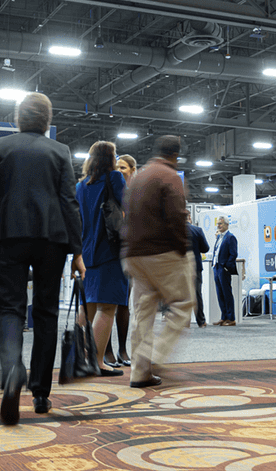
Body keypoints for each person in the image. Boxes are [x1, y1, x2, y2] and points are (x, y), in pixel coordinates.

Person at [0, 92, 85, 424]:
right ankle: (40, 393)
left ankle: (12, 370)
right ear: (47, 120)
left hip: (9, 237)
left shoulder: (0, 147)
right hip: (52, 240)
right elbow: (69, 202)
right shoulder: (60, 151)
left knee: (10, 308)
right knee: (46, 313)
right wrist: (77, 251)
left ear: (18, 118)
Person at [120, 135, 195, 388]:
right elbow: (176, 216)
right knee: (183, 304)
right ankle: (154, 355)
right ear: (176, 154)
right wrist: (182, 249)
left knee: (143, 311)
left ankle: (140, 372)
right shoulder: (170, 176)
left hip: (133, 254)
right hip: (161, 252)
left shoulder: (139, 176)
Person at [75, 140, 128, 376]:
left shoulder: (81, 186)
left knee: (87, 307)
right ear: (110, 158)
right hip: (110, 250)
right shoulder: (114, 177)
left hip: (87, 252)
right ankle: (97, 361)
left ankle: (79, 357)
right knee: (107, 308)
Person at [104, 154, 138, 365]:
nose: (119, 171)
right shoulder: (108, 191)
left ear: (133, 170)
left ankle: (123, 350)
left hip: (129, 254)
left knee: (124, 303)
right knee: (108, 303)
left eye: (123, 167)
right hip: (109, 252)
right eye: (116, 167)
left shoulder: (137, 195)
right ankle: (106, 350)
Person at [210, 216, 239, 326]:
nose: (218, 225)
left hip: (224, 269)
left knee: (227, 294)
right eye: (218, 224)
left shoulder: (230, 237)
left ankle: (231, 319)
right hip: (216, 268)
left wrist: (227, 266)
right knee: (220, 294)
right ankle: (224, 317)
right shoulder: (219, 237)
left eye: (221, 223)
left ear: (227, 225)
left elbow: (233, 254)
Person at [187, 217, 210, 327]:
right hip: (195, 267)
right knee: (197, 295)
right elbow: (205, 248)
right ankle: (201, 321)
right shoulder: (197, 230)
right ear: (189, 218)